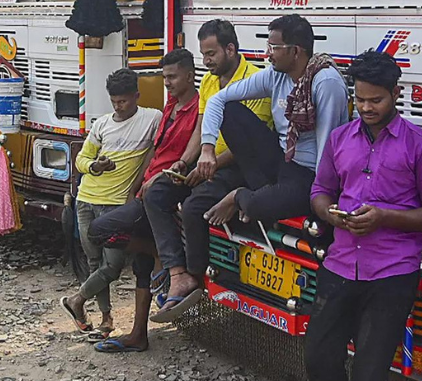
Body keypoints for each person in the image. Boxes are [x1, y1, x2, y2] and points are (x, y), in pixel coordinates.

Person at [152, 14, 348, 322]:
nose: (268, 54)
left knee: (257, 205)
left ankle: (239, 196)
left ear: (295, 51)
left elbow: (329, 151)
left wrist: (319, 201)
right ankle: (194, 270)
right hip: (281, 161)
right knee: (231, 109)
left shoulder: (326, 83)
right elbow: (218, 102)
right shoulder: (275, 76)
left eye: (274, 47)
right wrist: (205, 150)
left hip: (309, 174)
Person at [304, 51, 422, 381]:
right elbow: (319, 191)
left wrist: (383, 217)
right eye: (360, 99)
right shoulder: (339, 138)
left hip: (391, 274)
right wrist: (331, 215)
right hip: (339, 265)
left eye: (376, 100)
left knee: (369, 373)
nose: (367, 108)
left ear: (396, 94)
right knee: (318, 360)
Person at [143, 20, 273, 320]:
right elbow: (203, 128)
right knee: (157, 193)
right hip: (207, 161)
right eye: (203, 55)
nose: (206, 61)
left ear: (231, 49)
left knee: (193, 206)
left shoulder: (257, 81)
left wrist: (210, 162)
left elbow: (248, 146)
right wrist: (185, 162)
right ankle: (177, 273)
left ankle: (196, 275)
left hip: (241, 166)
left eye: (211, 53)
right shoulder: (210, 81)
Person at [84, 49, 200, 353]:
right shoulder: (170, 107)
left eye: (172, 77)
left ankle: (170, 262)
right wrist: (135, 186)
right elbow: (154, 151)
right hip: (146, 190)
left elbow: (189, 157)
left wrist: (159, 179)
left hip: (167, 189)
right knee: (140, 262)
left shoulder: (198, 111)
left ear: (190, 75)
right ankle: (138, 334)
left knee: (99, 230)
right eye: (164, 78)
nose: (167, 83)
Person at [61, 69, 162, 337]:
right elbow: (81, 160)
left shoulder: (152, 118)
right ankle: (106, 321)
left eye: (124, 101)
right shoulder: (102, 124)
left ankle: (76, 300)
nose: (118, 106)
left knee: (112, 266)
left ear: (136, 96)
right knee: (95, 263)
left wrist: (137, 185)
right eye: (114, 101)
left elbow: (155, 150)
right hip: (86, 199)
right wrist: (95, 166)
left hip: (117, 204)